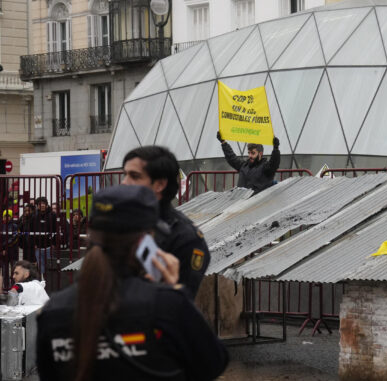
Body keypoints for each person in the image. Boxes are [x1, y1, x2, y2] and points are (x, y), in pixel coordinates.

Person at [36, 185, 228, 381]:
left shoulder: (52, 311)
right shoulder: (167, 304)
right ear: (144, 242)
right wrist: (177, 293)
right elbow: (212, 364)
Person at [121, 146, 209, 299]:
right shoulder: (121, 222)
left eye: (134, 176)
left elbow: (181, 304)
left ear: (159, 185)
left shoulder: (186, 238)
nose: (124, 183)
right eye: (125, 175)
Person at [216, 131, 281, 194]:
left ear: (260, 154)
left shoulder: (265, 168)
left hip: (256, 203)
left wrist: (276, 149)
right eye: (249, 153)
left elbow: (274, 164)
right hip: (240, 201)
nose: (250, 156)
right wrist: (223, 143)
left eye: (253, 153)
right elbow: (232, 158)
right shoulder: (244, 165)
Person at [33, 197, 57, 277]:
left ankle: (50, 285)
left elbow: (55, 230)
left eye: (43, 203)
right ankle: (43, 283)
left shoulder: (52, 215)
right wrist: (34, 243)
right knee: (41, 268)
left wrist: (54, 243)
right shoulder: (34, 215)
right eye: (40, 204)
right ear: (37, 205)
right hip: (38, 247)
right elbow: (32, 230)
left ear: (46, 205)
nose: (42, 205)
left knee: (50, 266)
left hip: (49, 246)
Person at [1, 210, 19, 290]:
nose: (7, 218)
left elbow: (15, 237)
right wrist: (2, 249)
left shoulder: (15, 226)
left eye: (8, 216)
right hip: (3, 252)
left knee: (14, 271)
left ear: (11, 217)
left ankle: (13, 287)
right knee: (5, 271)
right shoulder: (1, 226)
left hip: (13, 251)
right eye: (5, 216)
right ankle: (6, 286)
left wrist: (5, 245)